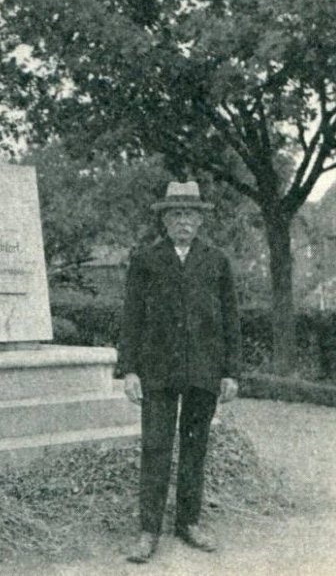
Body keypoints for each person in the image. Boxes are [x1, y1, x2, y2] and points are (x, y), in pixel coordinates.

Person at [116, 180, 241, 564]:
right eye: (176, 214)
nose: (183, 221)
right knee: (156, 447)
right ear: (164, 220)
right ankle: (148, 530)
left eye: (190, 214)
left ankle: (188, 522)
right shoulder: (146, 260)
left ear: (201, 220)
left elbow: (231, 320)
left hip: (204, 370)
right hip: (157, 371)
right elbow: (132, 317)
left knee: (194, 448)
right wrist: (129, 371)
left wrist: (231, 372)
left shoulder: (217, 261)